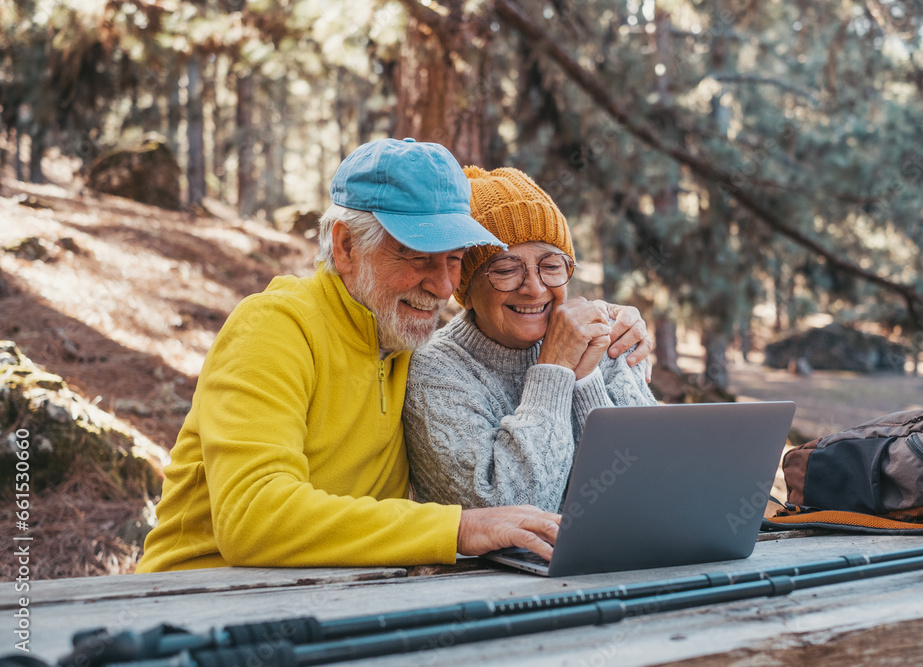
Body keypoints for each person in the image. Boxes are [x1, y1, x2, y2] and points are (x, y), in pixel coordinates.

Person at [137, 139, 649, 572]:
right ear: (345, 247)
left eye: (454, 260)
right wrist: (457, 527)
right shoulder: (273, 327)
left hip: (335, 601)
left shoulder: (403, 342)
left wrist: (604, 333)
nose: (444, 284)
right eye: (417, 256)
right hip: (197, 604)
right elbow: (253, 518)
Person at [403, 166, 657, 514]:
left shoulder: (606, 340)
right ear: (467, 290)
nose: (535, 288)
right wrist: (554, 371)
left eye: (551, 266)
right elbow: (513, 513)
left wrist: (585, 379)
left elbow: (652, 486)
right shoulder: (435, 371)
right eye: (506, 270)